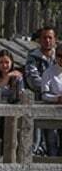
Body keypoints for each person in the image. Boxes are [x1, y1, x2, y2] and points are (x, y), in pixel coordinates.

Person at [26, 27, 58, 156]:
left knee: (53, 139)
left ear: (55, 39)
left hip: (56, 105)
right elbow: (32, 80)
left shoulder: (59, 56)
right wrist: (52, 88)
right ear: (39, 40)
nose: (47, 40)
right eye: (44, 37)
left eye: (50, 37)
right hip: (38, 102)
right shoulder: (33, 57)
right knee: (35, 140)